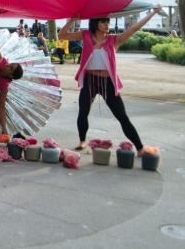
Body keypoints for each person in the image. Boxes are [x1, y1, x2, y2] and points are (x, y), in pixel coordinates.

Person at [58, 8, 161, 156]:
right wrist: (72, 20)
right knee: (83, 112)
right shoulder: (86, 35)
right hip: (89, 80)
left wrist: (152, 13)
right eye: (103, 21)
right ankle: (82, 141)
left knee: (122, 116)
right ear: (95, 23)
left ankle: (139, 148)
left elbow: (134, 28)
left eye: (108, 22)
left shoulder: (114, 40)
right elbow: (61, 36)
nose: (107, 24)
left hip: (108, 82)